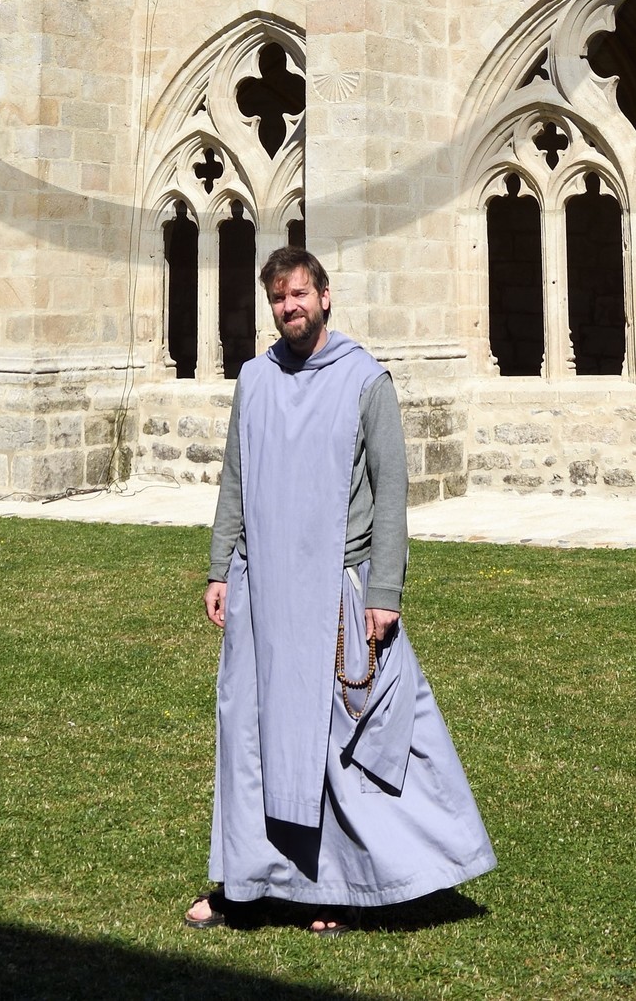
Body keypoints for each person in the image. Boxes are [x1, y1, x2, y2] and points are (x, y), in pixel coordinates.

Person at [186, 246, 495, 934]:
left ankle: (336, 887)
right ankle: (243, 884)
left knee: (336, 747)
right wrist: (218, 567)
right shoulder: (255, 379)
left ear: (325, 295)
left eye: (298, 294)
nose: (287, 307)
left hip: (336, 593)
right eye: (277, 298)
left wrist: (384, 590)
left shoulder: (365, 381)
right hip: (261, 591)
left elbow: (391, 496)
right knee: (250, 738)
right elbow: (234, 478)